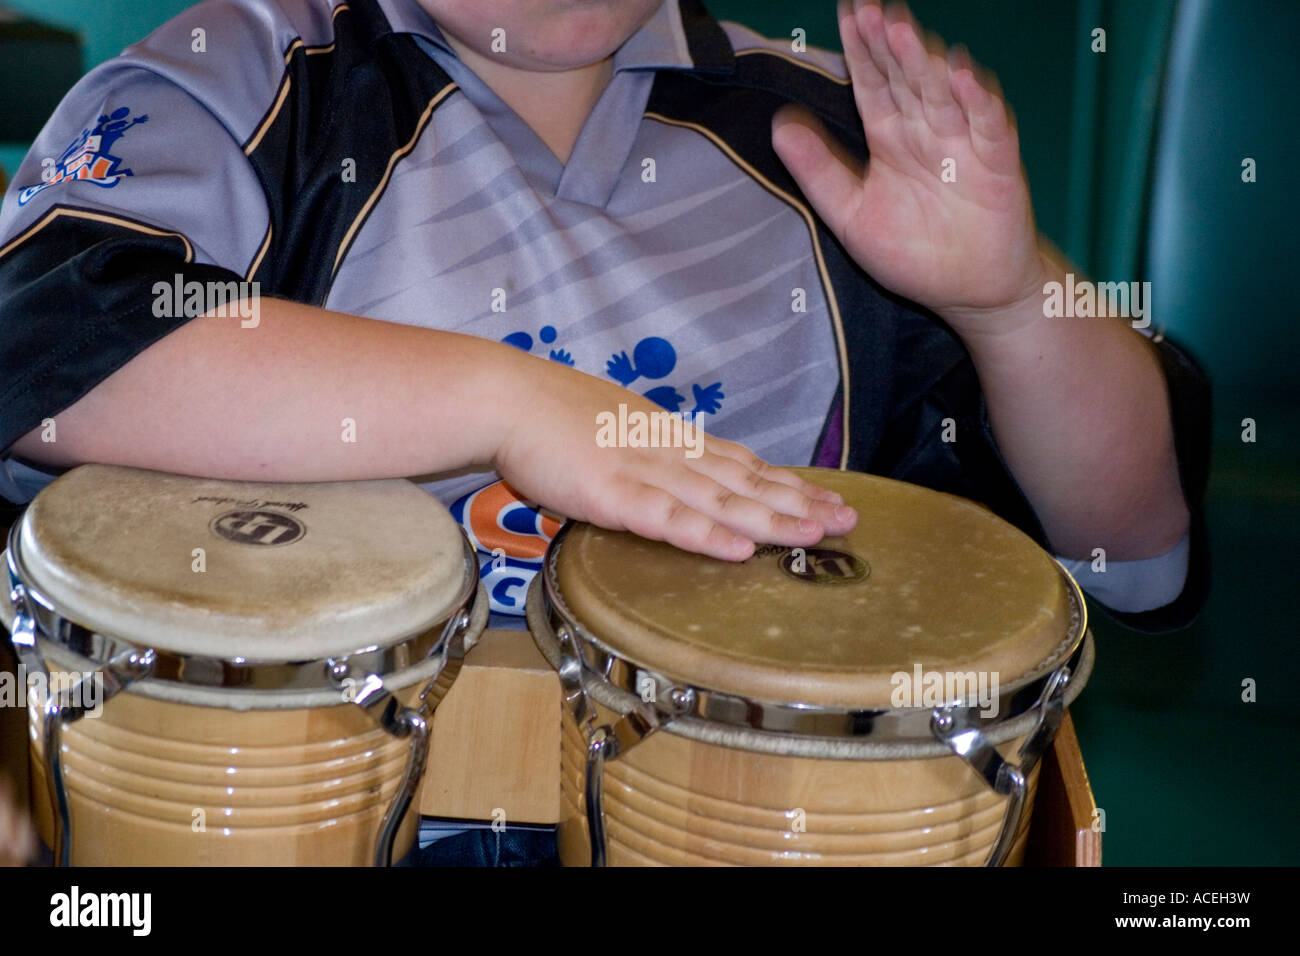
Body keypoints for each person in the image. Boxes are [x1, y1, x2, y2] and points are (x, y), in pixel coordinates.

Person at [0, 0, 1208, 635]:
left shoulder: (837, 138)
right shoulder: (232, 76)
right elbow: (48, 347)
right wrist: (509, 401)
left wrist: (1007, 304)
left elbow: (1129, 553)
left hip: (741, 808)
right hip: (313, 801)